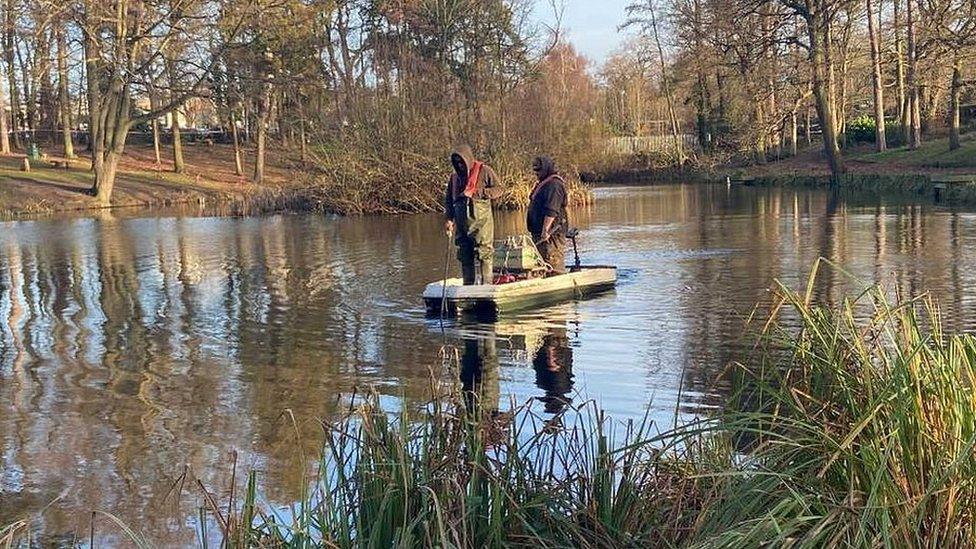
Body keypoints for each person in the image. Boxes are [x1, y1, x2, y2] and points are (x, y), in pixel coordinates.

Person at [444, 145, 505, 285]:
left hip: (482, 222)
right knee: (465, 254)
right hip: (461, 224)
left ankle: (487, 286)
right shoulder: (453, 179)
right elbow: (448, 200)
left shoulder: (484, 170)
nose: (460, 165)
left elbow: (500, 189)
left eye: (462, 162)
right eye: (457, 162)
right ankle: (468, 286)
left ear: (468, 160)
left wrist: (478, 193)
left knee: (484, 253)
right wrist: (448, 219)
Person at [527, 155, 569, 274]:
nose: (536, 173)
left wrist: (545, 230)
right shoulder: (543, 184)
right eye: (535, 170)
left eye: (539, 170)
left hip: (552, 234)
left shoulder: (554, 185)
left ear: (546, 168)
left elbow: (552, 210)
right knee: (542, 264)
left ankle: (558, 285)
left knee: (552, 263)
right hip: (538, 234)